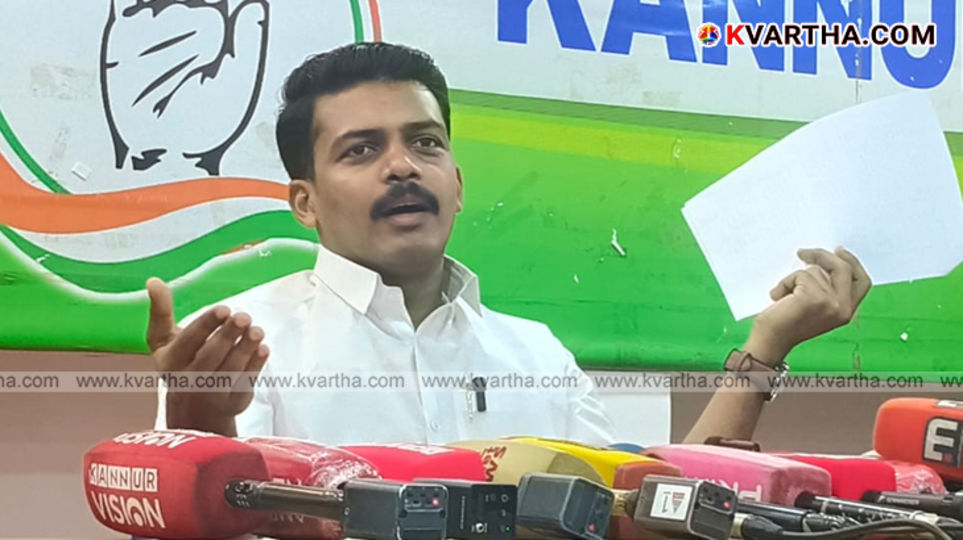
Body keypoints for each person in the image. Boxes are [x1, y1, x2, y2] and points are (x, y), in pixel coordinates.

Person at [149, 42, 872, 445]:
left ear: (456, 184)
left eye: (423, 143)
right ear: (303, 202)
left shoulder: (534, 355)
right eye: (361, 150)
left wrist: (765, 350)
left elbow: (651, 511)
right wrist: (199, 424)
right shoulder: (244, 347)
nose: (402, 165)